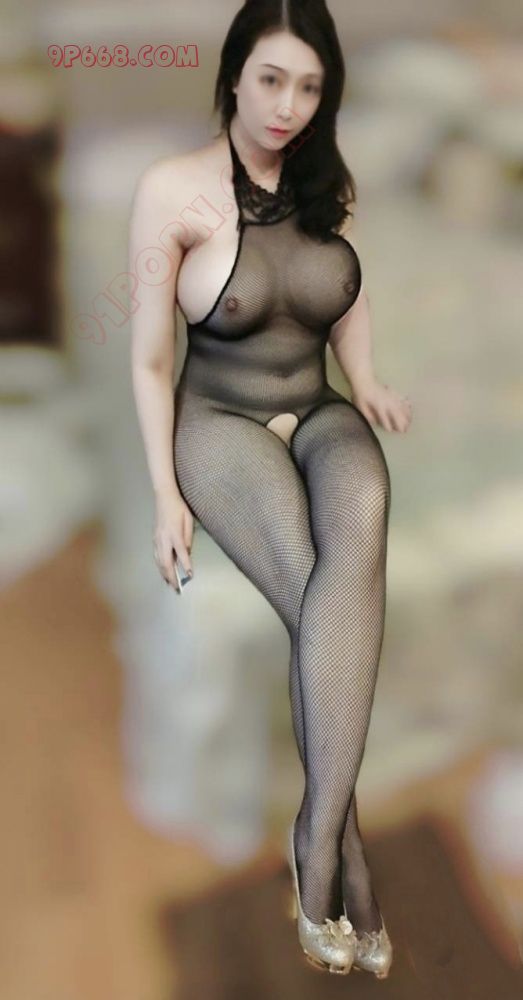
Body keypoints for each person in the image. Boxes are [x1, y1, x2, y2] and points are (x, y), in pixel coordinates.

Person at [129, 0, 412, 978]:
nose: (288, 105)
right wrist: (164, 495)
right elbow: (149, 360)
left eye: (309, 87)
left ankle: (315, 830)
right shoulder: (170, 188)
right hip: (221, 421)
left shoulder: (326, 181)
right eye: (271, 79)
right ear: (232, 75)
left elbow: (348, 294)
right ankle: (338, 854)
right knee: (315, 601)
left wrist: (364, 380)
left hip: (317, 405)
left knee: (362, 521)